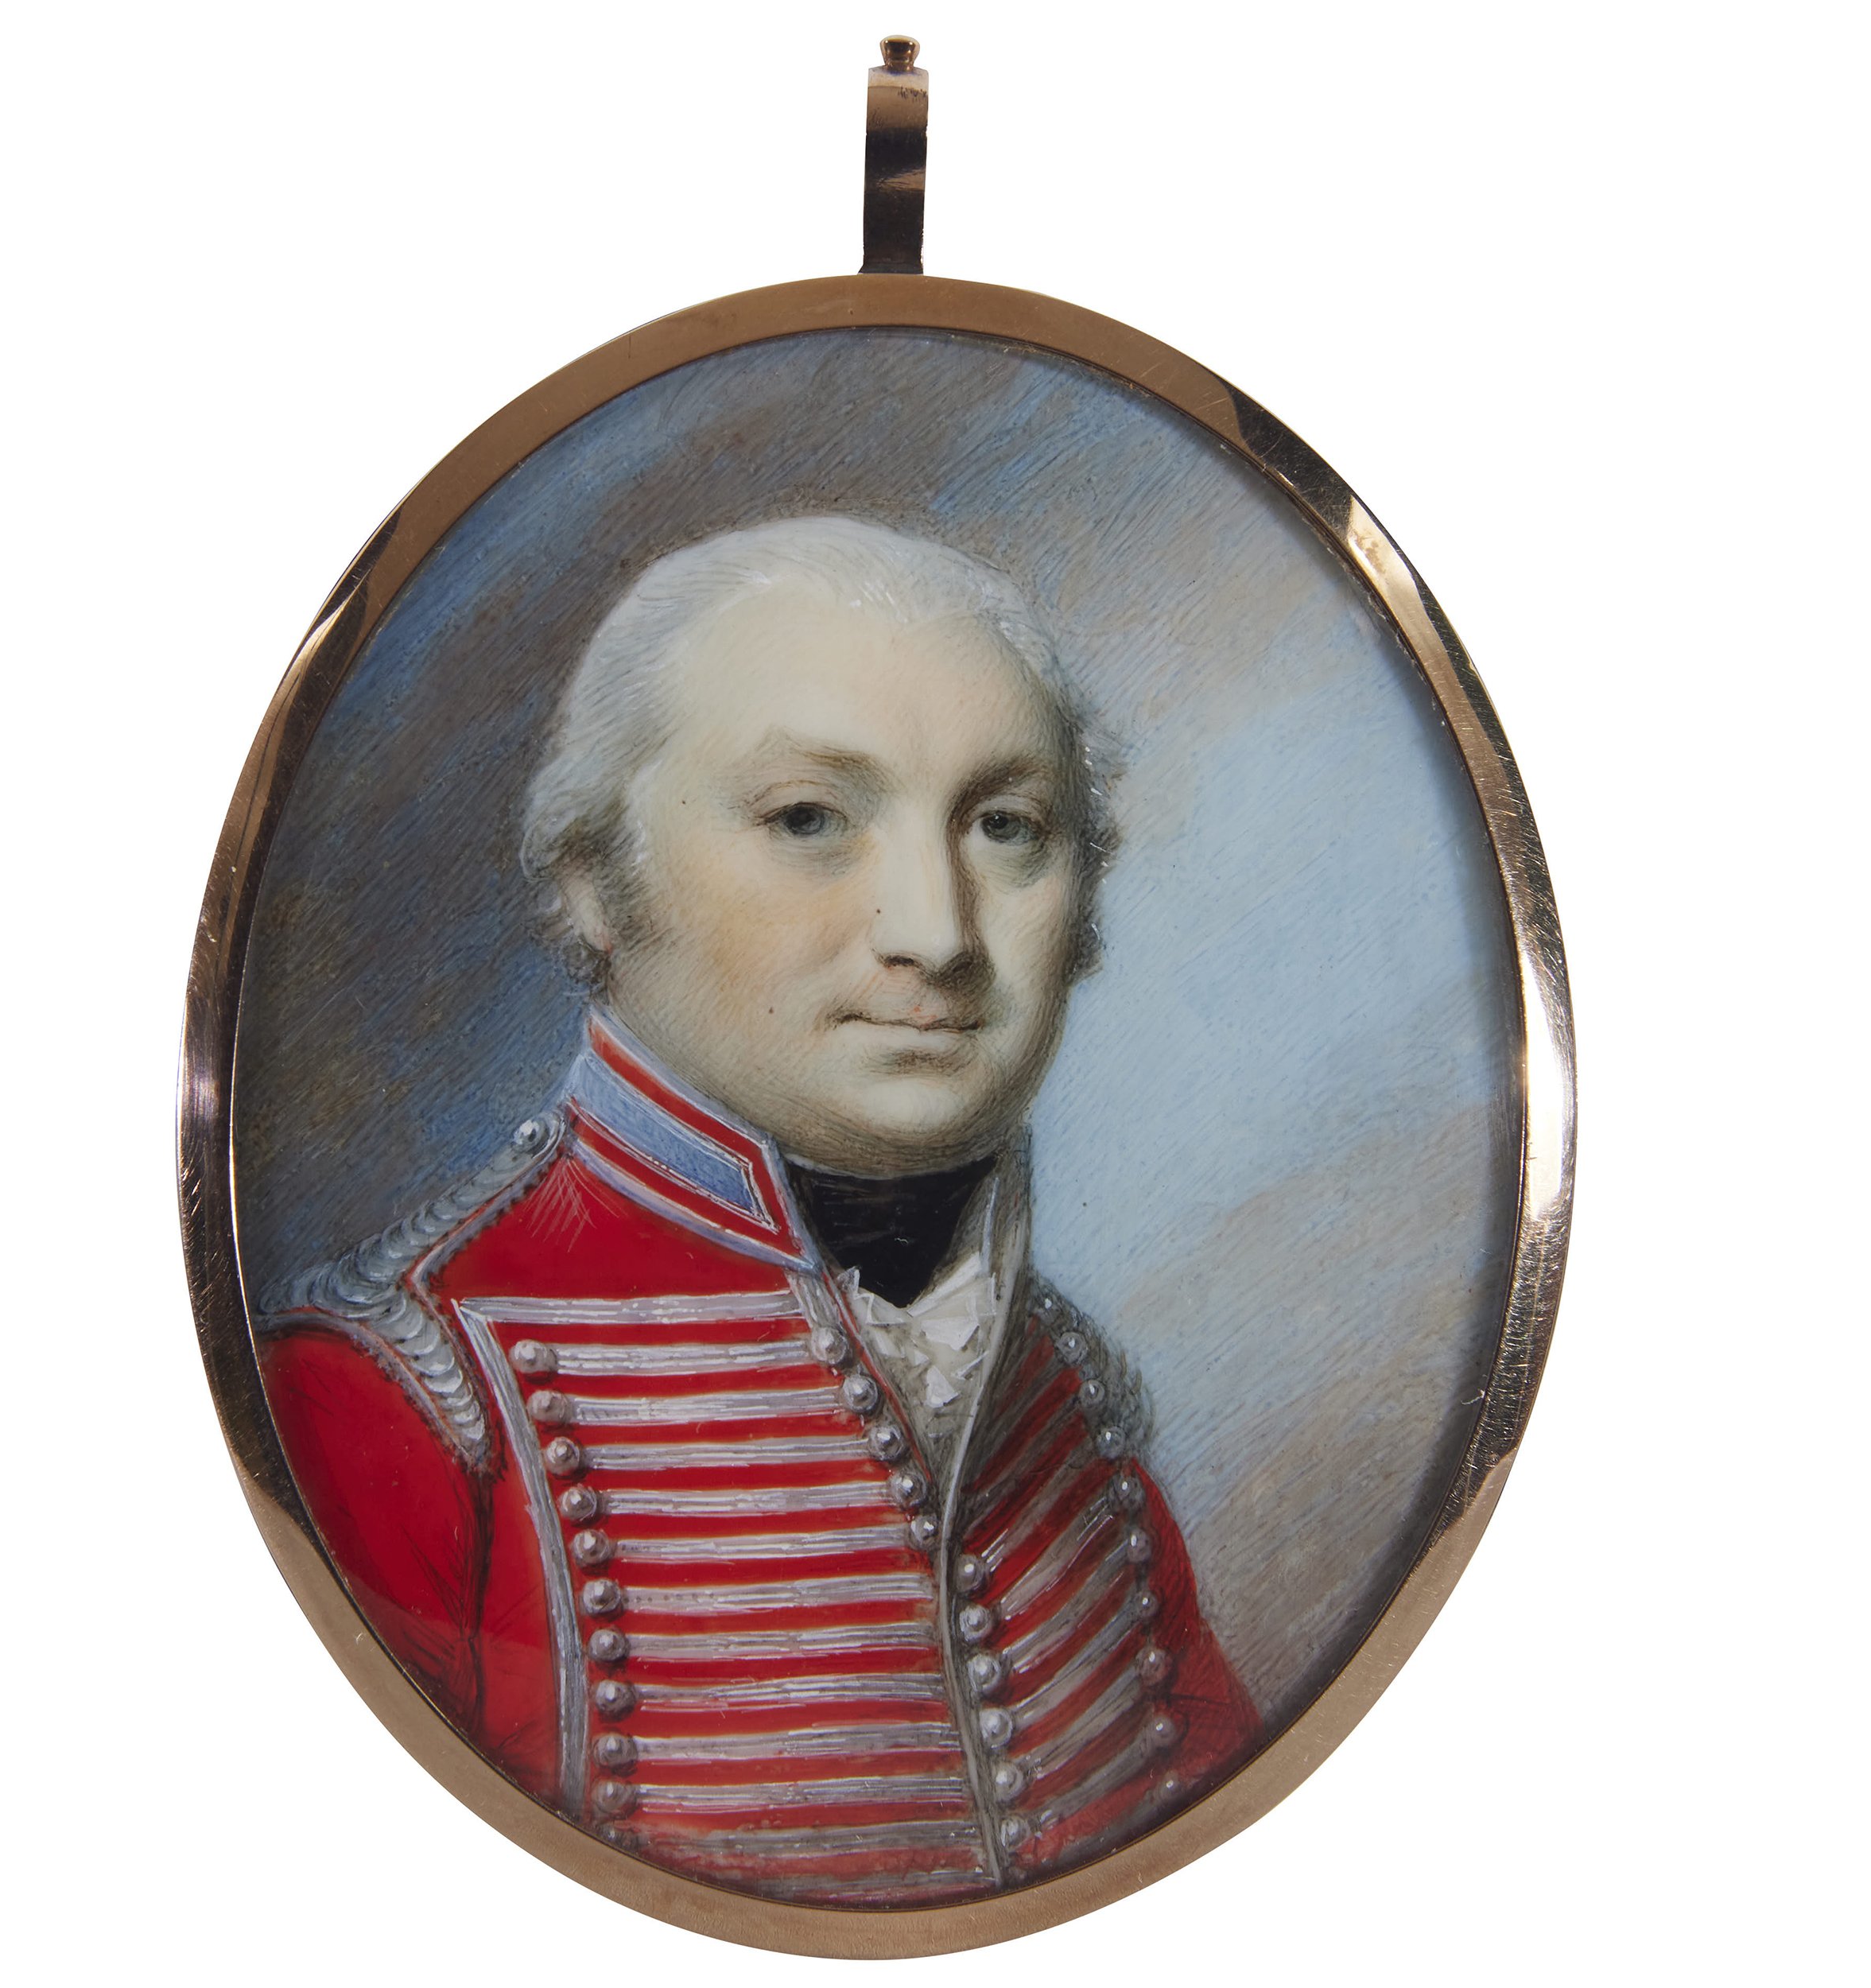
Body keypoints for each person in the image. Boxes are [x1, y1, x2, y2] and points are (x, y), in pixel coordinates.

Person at [260, 515, 1259, 1904]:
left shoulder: (1061, 1388)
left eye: (1006, 827)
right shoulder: (395, 1400)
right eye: (808, 821)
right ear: (597, 880)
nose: (937, 933)